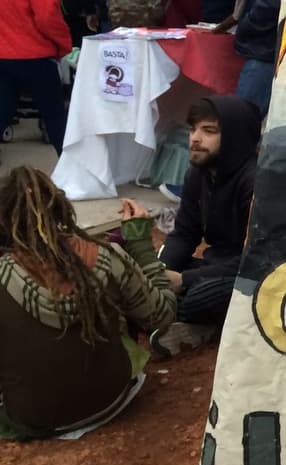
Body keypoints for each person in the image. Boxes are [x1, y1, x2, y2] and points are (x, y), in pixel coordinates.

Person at [0, 169, 175, 439]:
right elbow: (161, 316)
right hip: (113, 401)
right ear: (62, 208)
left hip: (34, 418)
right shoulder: (106, 256)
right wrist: (140, 244)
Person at [150, 96, 259, 358]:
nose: (195, 139)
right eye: (193, 129)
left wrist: (184, 280)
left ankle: (197, 321)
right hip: (215, 266)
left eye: (208, 131)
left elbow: (256, 260)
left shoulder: (256, 181)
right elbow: (185, 233)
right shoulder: (197, 174)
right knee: (143, 272)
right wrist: (160, 272)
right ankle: (199, 322)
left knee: (203, 295)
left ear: (234, 136)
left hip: (254, 274)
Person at [0, 0, 71, 154]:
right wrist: (63, 45)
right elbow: (48, 17)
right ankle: (70, 174)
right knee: (55, 118)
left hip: (2, 57)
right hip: (36, 56)